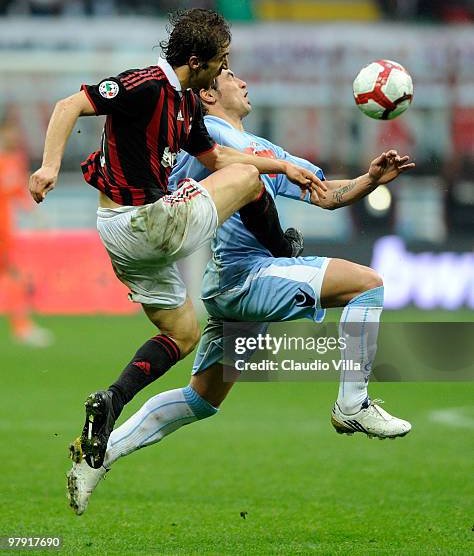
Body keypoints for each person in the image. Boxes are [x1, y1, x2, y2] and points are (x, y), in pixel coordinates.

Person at [66, 68, 415, 515]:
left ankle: (97, 456)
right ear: (208, 93)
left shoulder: (267, 152)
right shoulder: (204, 133)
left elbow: (326, 195)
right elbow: (169, 169)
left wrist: (369, 180)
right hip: (246, 276)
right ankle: (353, 404)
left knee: (200, 399)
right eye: (230, 76)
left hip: (231, 285)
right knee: (368, 286)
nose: (243, 82)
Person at [28, 9, 324, 472]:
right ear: (195, 59)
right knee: (247, 180)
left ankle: (110, 401)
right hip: (148, 223)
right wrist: (49, 167)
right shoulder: (146, 85)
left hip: (119, 236)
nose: (224, 69)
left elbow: (217, 155)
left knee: (182, 334)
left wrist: (284, 166)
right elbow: (69, 106)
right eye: (220, 61)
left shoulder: (186, 105)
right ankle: (283, 254)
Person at [0, 112, 53, 347]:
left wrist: (35, 214)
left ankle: (21, 326)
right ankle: (21, 327)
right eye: (9, 130)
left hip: (5, 230)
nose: (13, 135)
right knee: (13, 276)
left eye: (15, 131)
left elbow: (20, 193)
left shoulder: (15, 159)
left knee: (14, 276)